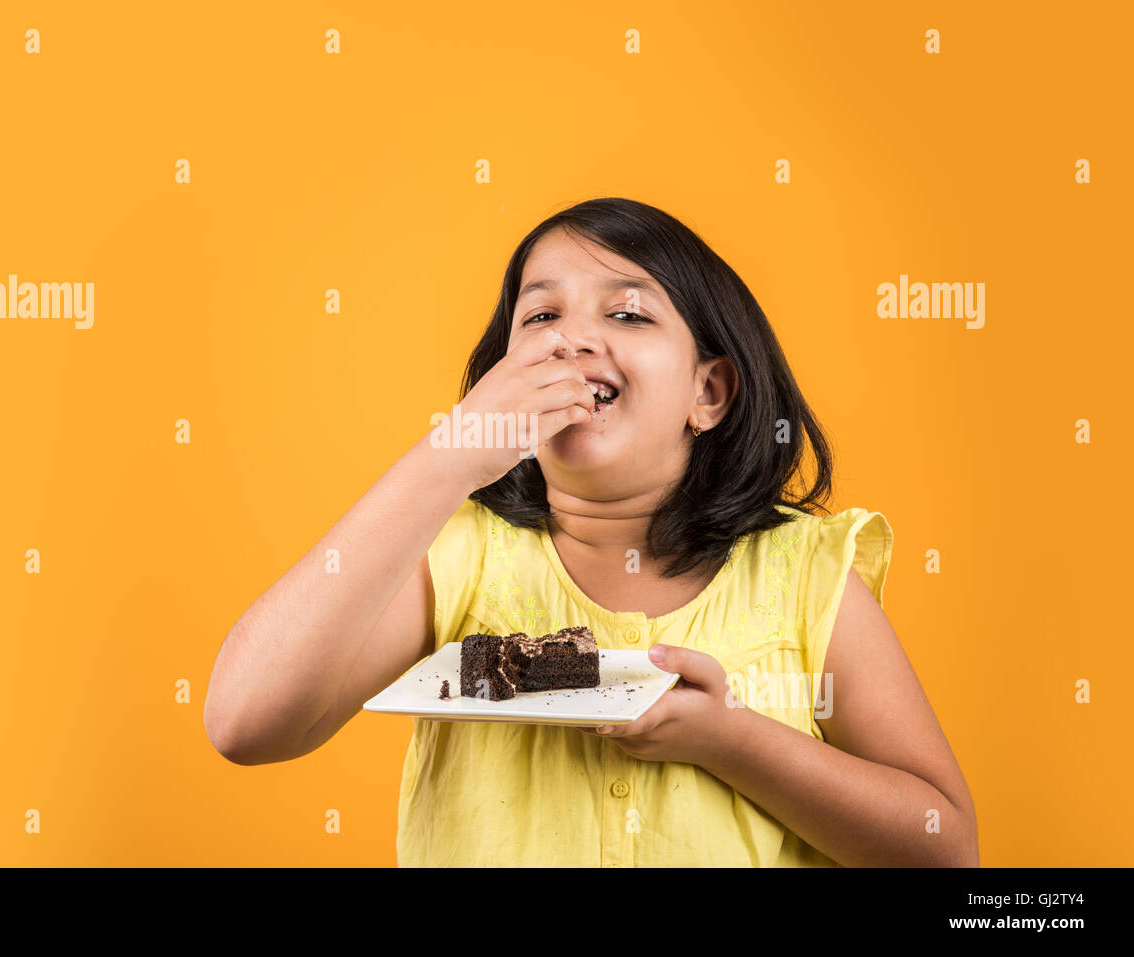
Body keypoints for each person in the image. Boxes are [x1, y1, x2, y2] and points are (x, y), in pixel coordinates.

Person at [203, 197, 978, 867]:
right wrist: (447, 459)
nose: (567, 340)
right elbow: (244, 721)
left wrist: (735, 740)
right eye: (541, 315)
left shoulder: (803, 575)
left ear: (708, 392)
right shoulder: (457, 556)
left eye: (628, 312)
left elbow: (944, 844)